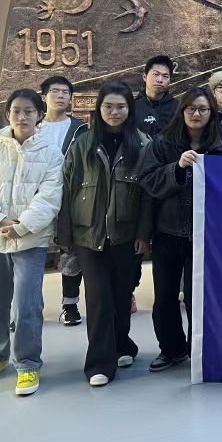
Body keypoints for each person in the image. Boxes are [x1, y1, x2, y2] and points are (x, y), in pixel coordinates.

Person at [0, 89, 63, 396]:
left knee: (26, 305)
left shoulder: (52, 153)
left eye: (29, 111)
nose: (22, 117)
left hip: (31, 242)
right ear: (8, 114)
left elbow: (50, 197)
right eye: (16, 111)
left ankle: (28, 363)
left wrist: (22, 227)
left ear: (39, 115)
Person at [57, 82, 153, 387]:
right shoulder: (82, 143)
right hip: (88, 233)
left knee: (122, 294)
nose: (114, 112)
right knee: (98, 297)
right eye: (108, 106)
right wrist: (65, 235)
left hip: (126, 233)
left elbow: (148, 194)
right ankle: (100, 362)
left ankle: (123, 345)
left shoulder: (143, 143)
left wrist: (143, 233)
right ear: (98, 109)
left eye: (121, 106)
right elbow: (66, 187)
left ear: (130, 110)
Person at [140, 86, 222, 373]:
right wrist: (177, 168)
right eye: (191, 108)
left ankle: (199, 350)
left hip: (204, 235)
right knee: (165, 298)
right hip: (167, 232)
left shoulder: (220, 148)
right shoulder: (163, 143)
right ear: (182, 111)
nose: (196, 114)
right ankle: (171, 350)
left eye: (203, 109)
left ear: (211, 113)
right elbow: (148, 181)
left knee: (199, 297)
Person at [39, 75, 87, 327]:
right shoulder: (33, 126)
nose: (60, 96)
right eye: (55, 91)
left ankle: (70, 305)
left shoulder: (80, 129)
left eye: (65, 92)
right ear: (44, 96)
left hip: (70, 197)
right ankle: (29, 307)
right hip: (36, 199)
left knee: (71, 253)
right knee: (32, 254)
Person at [131, 55, 177, 313]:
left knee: (165, 237)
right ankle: (129, 288)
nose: (160, 79)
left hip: (167, 180)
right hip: (136, 180)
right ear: (144, 76)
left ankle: (171, 289)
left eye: (165, 76)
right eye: (156, 74)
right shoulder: (132, 107)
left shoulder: (177, 108)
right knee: (135, 238)